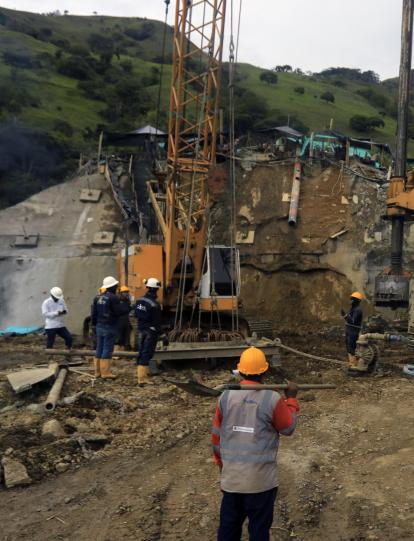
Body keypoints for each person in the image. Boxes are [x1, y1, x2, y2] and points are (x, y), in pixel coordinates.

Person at [212, 346, 300, 541]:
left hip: (232, 480)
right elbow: (288, 428)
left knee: (228, 530)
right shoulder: (272, 398)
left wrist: (222, 468)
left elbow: (216, 439)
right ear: (265, 371)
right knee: (259, 532)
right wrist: (291, 399)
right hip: (261, 483)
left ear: (240, 370)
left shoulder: (225, 397)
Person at [91, 276, 130, 379]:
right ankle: (105, 373)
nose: (117, 287)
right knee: (107, 349)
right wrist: (127, 306)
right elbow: (118, 312)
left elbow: (93, 313)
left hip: (99, 326)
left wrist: (94, 325)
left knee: (99, 348)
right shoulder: (113, 298)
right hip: (110, 326)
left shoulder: (97, 297)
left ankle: (97, 372)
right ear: (112, 286)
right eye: (116, 286)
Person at [134, 277, 167, 386]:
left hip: (140, 329)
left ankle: (143, 376)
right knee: (147, 353)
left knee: (141, 352)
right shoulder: (154, 305)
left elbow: (135, 314)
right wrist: (163, 335)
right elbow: (157, 323)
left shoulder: (139, 300)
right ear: (156, 289)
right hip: (150, 332)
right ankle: (142, 379)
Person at [341, 291, 364, 371]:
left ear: (355, 300)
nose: (350, 301)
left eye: (351, 299)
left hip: (353, 331)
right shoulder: (353, 309)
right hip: (349, 330)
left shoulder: (358, 310)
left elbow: (353, 321)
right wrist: (345, 316)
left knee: (351, 347)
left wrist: (345, 315)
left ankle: (354, 365)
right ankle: (352, 363)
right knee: (348, 346)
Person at [114, 285, 132, 352]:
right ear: (121, 293)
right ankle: (116, 353)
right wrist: (128, 309)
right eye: (125, 292)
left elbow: (128, 309)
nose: (126, 293)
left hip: (126, 320)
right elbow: (120, 310)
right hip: (119, 321)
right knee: (118, 337)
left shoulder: (127, 301)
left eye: (127, 292)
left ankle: (123, 352)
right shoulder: (117, 300)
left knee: (125, 336)